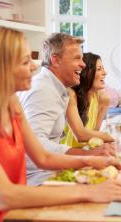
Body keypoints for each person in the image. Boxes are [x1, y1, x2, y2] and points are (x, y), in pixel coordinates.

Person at [0, 26, 121, 222]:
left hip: (19, 218)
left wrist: (92, 160)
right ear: (0, 68)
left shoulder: (12, 106)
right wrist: (89, 192)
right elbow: (5, 196)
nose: (35, 68)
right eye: (26, 62)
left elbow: (43, 157)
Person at [18, 33, 114, 186]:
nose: (83, 65)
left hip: (50, 172)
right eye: (77, 58)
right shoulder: (43, 90)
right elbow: (37, 144)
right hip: (38, 180)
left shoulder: (55, 88)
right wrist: (87, 156)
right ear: (55, 60)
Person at [62, 53, 112, 148]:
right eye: (99, 69)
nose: (105, 73)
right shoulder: (71, 95)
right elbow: (80, 135)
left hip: (86, 154)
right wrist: (117, 136)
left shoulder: (103, 99)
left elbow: (94, 138)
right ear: (86, 73)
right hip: (65, 156)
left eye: (103, 68)